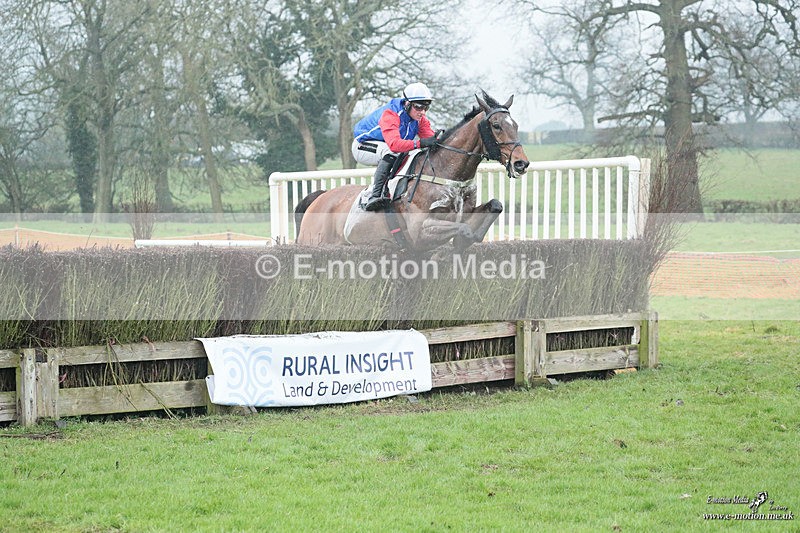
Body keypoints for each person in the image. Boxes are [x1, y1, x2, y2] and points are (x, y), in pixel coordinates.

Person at [352, 82, 438, 211]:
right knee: (390, 152)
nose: (423, 112)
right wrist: (419, 143)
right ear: (407, 104)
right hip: (363, 145)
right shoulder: (391, 114)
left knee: (410, 154)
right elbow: (394, 145)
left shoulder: (420, 119)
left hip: (385, 145)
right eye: (419, 107)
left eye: (426, 107)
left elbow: (430, 139)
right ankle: (375, 196)